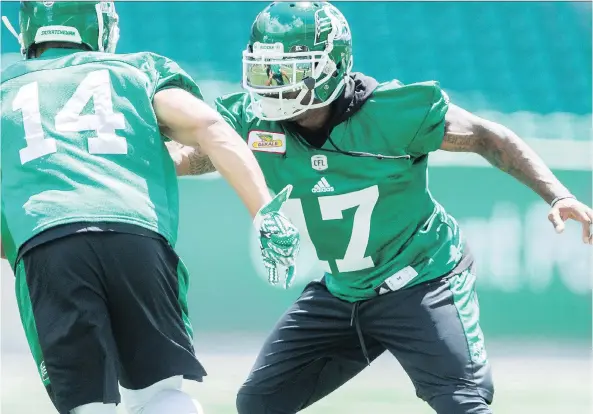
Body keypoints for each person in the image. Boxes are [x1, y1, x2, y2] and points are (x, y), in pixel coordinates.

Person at [167, 2, 593, 413]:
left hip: (422, 280)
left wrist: (558, 194)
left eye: (285, 71)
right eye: (265, 69)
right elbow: (192, 155)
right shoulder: (254, 121)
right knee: (259, 402)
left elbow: (489, 137)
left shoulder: (391, 113)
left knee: (463, 404)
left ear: (328, 67)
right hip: (343, 289)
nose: (272, 84)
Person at [0, 2, 300, 414]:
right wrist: (264, 210)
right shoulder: (137, 70)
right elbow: (210, 126)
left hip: (47, 242)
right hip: (136, 235)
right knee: (162, 396)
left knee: (88, 407)